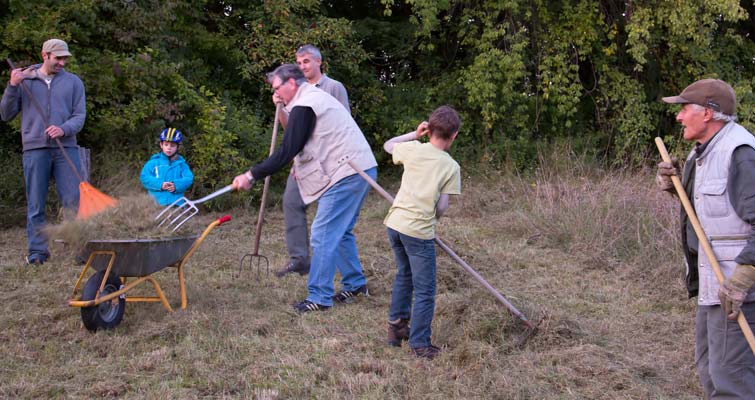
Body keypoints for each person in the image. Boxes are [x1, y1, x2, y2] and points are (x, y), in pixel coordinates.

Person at [232, 64, 377, 313]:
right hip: (359, 167)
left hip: (350, 171)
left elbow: (288, 150)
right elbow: (300, 142)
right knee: (340, 231)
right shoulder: (307, 100)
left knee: (323, 233)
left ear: (291, 83)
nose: (276, 94)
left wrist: (251, 175)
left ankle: (319, 297)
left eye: (277, 88)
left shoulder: (306, 103)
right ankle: (355, 285)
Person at [656, 78, 755, 398]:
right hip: (714, 286)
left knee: (732, 379)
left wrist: (745, 275)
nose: (679, 116)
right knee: (711, 370)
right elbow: (713, 212)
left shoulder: (740, 154)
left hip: (737, 290)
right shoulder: (701, 153)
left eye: (685, 109)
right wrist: (677, 187)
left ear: (708, 113)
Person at [382, 105, 461, 359]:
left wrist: (414, 135)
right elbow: (442, 206)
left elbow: (388, 145)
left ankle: (396, 328)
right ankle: (419, 343)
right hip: (418, 232)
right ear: (454, 135)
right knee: (425, 290)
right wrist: (432, 220)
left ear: (429, 130)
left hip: (395, 225)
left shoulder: (414, 149)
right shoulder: (451, 167)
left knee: (404, 275)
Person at [0, 38, 86, 266]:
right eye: (58, 58)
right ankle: (37, 252)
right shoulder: (25, 80)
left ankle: (79, 250)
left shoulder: (74, 83)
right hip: (35, 148)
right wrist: (12, 86)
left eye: (64, 59)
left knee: (73, 200)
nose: (62, 63)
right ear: (44, 55)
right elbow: (5, 114)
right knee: (36, 203)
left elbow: (79, 116)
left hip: (65, 148)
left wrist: (63, 129)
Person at [275, 44, 351, 277]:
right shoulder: (295, 92)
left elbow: (343, 125)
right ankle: (299, 259)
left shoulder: (333, 87)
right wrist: (280, 107)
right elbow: (292, 131)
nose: (302, 66)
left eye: (306, 61)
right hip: (304, 161)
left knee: (331, 220)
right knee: (291, 201)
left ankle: (350, 275)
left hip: (331, 161)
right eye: (298, 63)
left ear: (319, 61)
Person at [140, 128, 194, 206]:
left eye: (172, 145)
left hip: (177, 205)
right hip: (156, 204)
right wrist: (160, 184)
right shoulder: (153, 163)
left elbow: (188, 178)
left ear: (178, 147)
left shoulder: (182, 165)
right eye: (166, 144)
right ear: (161, 145)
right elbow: (144, 177)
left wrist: (176, 185)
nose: (169, 148)